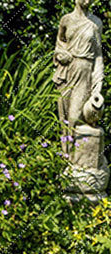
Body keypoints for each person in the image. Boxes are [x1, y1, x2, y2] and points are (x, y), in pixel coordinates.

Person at [53, 0, 104, 153]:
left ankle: (78, 158)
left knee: (75, 118)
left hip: (84, 72)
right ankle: (67, 159)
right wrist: (60, 54)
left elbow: (98, 55)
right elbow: (59, 44)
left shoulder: (95, 23)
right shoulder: (66, 20)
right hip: (66, 72)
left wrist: (98, 83)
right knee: (64, 118)